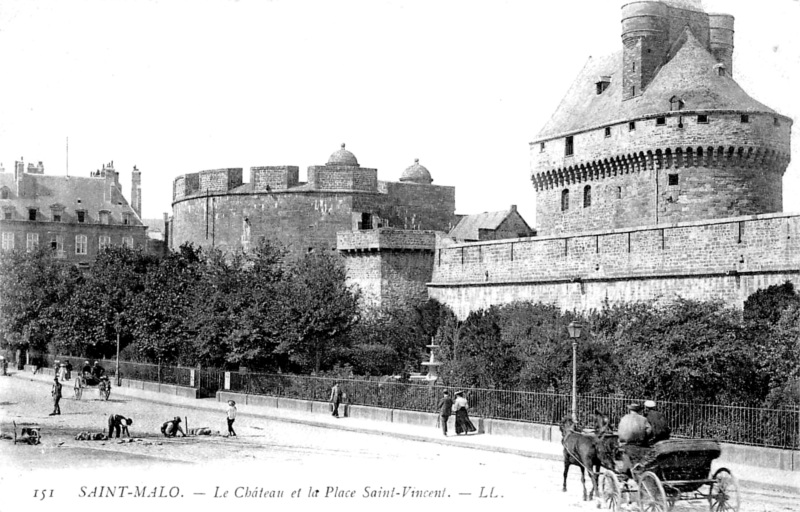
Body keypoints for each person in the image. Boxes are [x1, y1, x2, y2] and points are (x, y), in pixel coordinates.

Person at [617, 403, 653, 476]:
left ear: (630, 410)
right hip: (640, 444)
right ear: (639, 410)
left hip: (626, 443)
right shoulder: (643, 419)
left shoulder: (624, 418)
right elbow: (649, 430)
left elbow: (620, 430)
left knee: (626, 456)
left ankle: (625, 472)